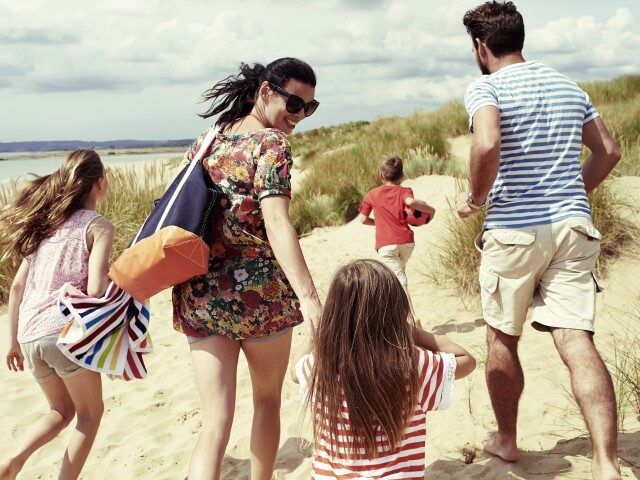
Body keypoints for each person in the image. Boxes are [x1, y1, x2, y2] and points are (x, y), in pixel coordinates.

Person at [456, 2, 622, 478]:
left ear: (481, 46)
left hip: (513, 229)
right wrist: (570, 192)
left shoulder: (486, 86)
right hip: (573, 227)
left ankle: (507, 441)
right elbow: (607, 152)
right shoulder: (570, 87)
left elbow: (487, 143)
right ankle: (607, 463)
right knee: (576, 340)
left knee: (502, 338)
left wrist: (475, 197)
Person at [172, 57, 323, 480]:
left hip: (201, 293)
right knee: (267, 403)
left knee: (214, 422)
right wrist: (310, 298)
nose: (298, 116)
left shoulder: (209, 139)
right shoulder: (271, 145)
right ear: (265, 92)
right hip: (261, 297)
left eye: (309, 108)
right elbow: (276, 221)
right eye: (293, 104)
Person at [292, 259, 475, 479]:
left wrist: (320, 329)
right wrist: (413, 333)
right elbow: (466, 359)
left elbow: (295, 370)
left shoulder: (321, 368)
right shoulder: (412, 364)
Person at [0, 150, 114, 480]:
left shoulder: (45, 226)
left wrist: (13, 343)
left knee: (59, 411)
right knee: (91, 415)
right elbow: (95, 291)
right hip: (64, 333)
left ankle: (11, 463)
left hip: (29, 334)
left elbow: (18, 288)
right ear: (99, 182)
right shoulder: (98, 226)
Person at [358, 156, 436, 320]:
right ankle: (400, 317)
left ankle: (412, 319)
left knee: (400, 282)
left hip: (386, 245)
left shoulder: (371, 194)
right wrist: (432, 210)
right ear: (402, 176)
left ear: (381, 175)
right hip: (407, 243)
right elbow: (410, 201)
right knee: (398, 274)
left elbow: (363, 219)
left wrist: (379, 223)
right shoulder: (405, 190)